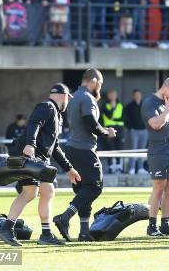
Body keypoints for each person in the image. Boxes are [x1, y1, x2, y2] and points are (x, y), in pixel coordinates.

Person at [0, 83, 81, 246]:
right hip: (31, 156)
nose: (68, 102)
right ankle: (36, 233)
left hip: (37, 158)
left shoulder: (57, 115)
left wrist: (69, 168)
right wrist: (30, 145)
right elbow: (34, 123)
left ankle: (28, 231)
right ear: (63, 96)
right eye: (68, 99)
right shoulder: (47, 106)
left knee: (37, 192)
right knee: (39, 192)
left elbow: (55, 148)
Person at [53, 69, 117, 242]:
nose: (100, 87)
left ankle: (83, 232)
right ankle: (65, 217)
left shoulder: (74, 97)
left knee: (83, 191)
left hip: (72, 148)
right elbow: (90, 124)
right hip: (84, 149)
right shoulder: (87, 98)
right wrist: (106, 133)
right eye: (100, 84)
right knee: (95, 187)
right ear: (94, 81)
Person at [142, 77, 169, 237]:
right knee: (159, 186)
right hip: (158, 151)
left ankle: (165, 224)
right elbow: (156, 124)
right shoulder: (150, 103)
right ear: (165, 87)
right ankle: (152, 226)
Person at [100, 89, 125, 173]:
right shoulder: (105, 105)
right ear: (108, 96)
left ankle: (118, 166)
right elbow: (109, 115)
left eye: (114, 94)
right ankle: (110, 166)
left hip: (120, 129)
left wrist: (114, 118)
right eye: (111, 94)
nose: (113, 96)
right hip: (108, 129)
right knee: (109, 148)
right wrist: (113, 108)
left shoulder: (120, 105)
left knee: (119, 148)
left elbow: (123, 118)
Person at [124, 89, 148, 175]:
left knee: (142, 150)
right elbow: (125, 118)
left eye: (139, 95)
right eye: (136, 95)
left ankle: (141, 168)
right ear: (133, 96)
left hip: (144, 130)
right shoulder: (129, 106)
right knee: (133, 150)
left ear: (141, 95)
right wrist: (130, 127)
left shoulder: (145, 105)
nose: (137, 96)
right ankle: (132, 168)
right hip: (134, 131)